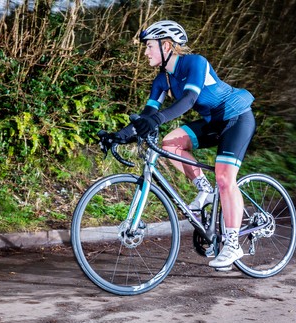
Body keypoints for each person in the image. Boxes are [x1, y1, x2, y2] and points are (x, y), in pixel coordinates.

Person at [99, 20, 256, 270]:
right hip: (213, 122)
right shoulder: (162, 80)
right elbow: (147, 115)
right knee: (170, 142)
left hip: (236, 117)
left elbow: (191, 99)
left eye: (150, 46)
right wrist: (119, 135)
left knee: (225, 179)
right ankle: (204, 190)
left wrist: (158, 119)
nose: (146, 52)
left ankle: (233, 244)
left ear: (167, 45)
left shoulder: (195, 62)